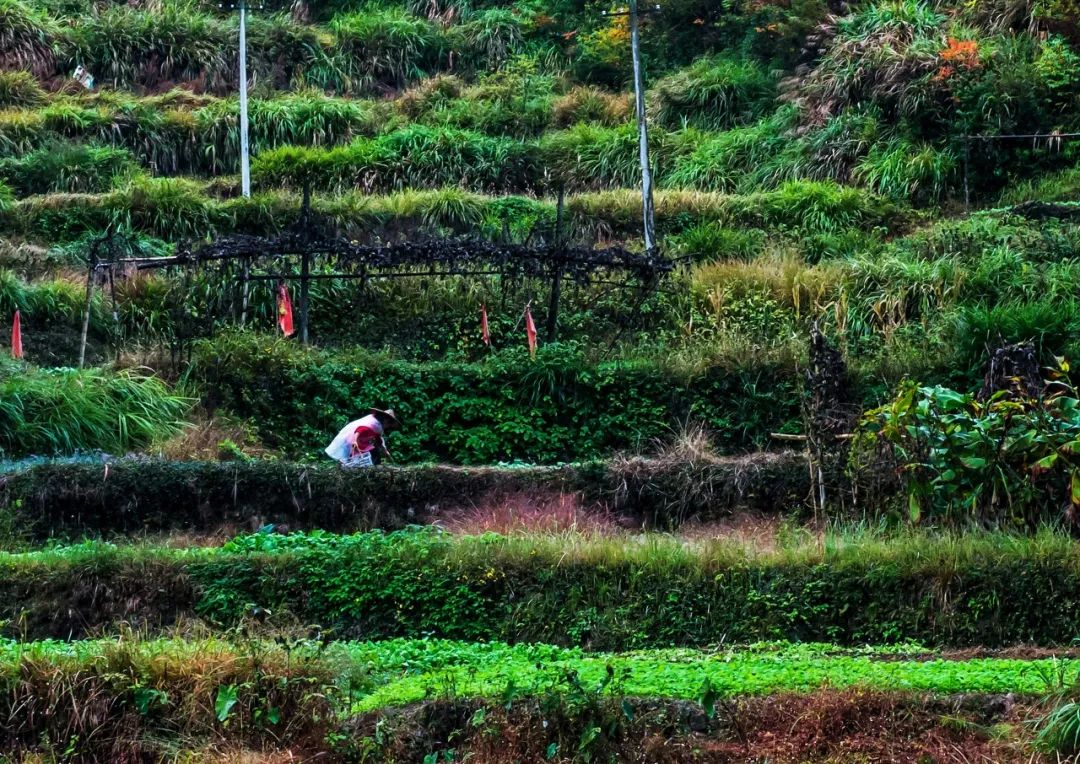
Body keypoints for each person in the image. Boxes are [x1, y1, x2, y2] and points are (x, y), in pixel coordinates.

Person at [325, 408, 399, 468]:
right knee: (369, 453)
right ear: (385, 419)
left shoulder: (375, 423)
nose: (389, 426)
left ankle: (369, 467)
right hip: (352, 438)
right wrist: (354, 440)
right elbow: (359, 430)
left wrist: (385, 451)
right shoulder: (374, 424)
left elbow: (378, 439)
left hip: (360, 441)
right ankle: (372, 468)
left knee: (372, 452)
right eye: (389, 423)